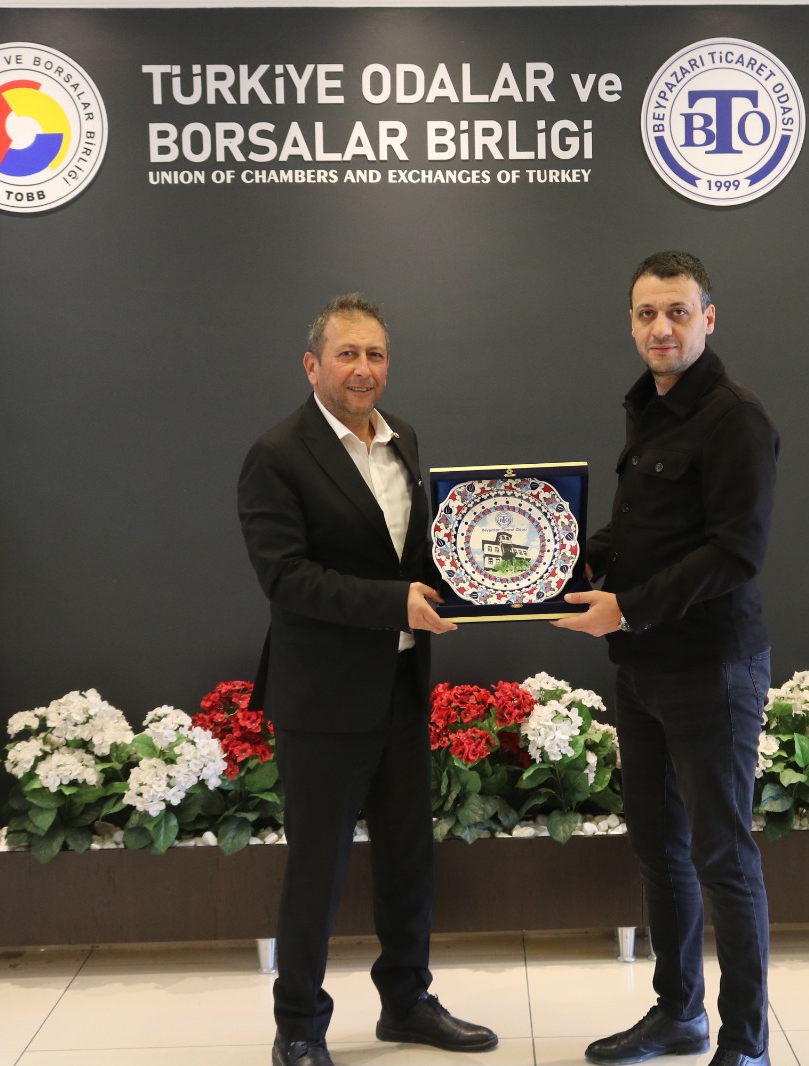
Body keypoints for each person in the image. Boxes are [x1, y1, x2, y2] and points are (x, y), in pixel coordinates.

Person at [238, 293, 498, 1066]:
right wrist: (395, 604)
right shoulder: (277, 455)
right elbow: (286, 578)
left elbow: (414, 557)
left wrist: (491, 576)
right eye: (347, 354)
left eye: (375, 354)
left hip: (400, 687)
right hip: (323, 698)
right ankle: (298, 1025)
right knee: (317, 868)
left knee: (408, 856)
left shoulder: (402, 440)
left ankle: (407, 1002)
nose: (363, 369)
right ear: (312, 365)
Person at [554, 252, 779, 1066]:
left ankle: (745, 1045)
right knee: (659, 848)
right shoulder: (648, 406)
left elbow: (735, 551)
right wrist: (577, 557)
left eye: (678, 312)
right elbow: (647, 529)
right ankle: (679, 1014)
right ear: (631, 321)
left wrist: (627, 605)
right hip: (642, 667)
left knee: (722, 855)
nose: (661, 327)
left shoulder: (735, 418)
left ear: (708, 318)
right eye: (647, 313)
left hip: (711, 670)